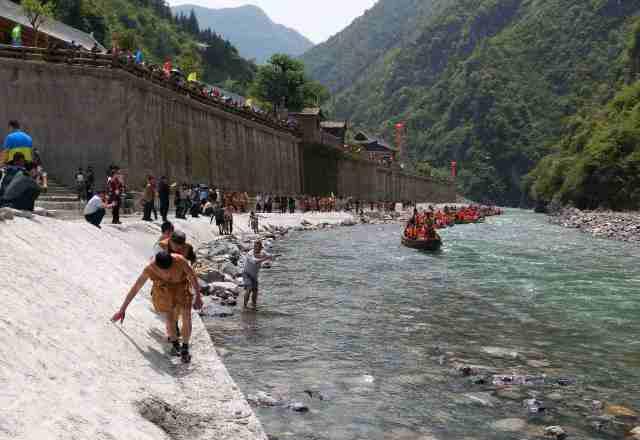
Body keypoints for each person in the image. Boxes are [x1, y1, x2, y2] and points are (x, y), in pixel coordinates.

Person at [111, 251, 203, 363]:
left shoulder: (180, 261)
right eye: (164, 270)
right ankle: (175, 345)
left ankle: (185, 348)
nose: (167, 272)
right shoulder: (150, 269)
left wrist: (198, 296)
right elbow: (136, 288)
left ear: (172, 260)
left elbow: (192, 277)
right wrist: (122, 309)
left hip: (181, 288)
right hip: (163, 291)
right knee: (170, 318)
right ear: (157, 265)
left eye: (169, 268)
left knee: (186, 316)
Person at [242, 241, 273, 309]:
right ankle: (244, 306)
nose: (256, 248)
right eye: (255, 246)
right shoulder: (250, 253)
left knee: (255, 291)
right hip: (246, 273)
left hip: (254, 275)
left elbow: (269, 255)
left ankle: (254, 305)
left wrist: (274, 256)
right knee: (249, 288)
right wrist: (265, 259)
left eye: (258, 247)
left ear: (261, 247)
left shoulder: (263, 252)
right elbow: (254, 261)